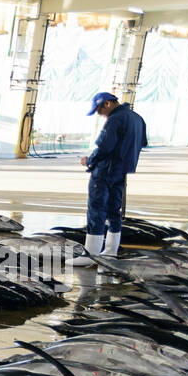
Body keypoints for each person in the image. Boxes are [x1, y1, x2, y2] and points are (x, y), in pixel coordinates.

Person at [71, 91, 147, 265]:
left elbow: (105, 146)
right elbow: (141, 143)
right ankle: (111, 251)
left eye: (99, 110)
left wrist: (89, 161)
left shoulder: (114, 120)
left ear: (107, 104)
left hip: (105, 170)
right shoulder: (137, 118)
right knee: (114, 210)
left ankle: (90, 256)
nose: (100, 114)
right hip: (122, 171)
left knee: (96, 209)